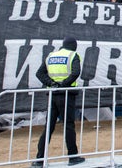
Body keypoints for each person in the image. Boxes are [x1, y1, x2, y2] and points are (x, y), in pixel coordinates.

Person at [33, 37, 85, 167]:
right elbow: (75, 73)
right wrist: (64, 85)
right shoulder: (73, 55)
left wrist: (52, 83)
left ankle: (39, 159)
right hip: (66, 94)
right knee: (68, 125)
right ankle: (73, 157)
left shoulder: (51, 56)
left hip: (52, 94)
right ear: (73, 45)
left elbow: (39, 73)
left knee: (49, 127)